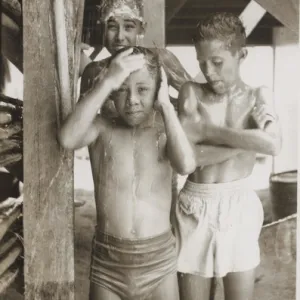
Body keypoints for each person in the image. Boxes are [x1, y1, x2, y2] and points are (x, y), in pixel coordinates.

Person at [58, 46, 196, 300]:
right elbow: (67, 138)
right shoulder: (101, 129)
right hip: (108, 265)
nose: (131, 99)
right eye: (121, 89)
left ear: (157, 89)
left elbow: (186, 165)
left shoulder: (163, 130)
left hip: (159, 264)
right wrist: (108, 80)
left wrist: (165, 105)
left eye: (142, 89)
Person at [175, 12, 281, 300]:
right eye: (202, 63)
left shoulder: (259, 96)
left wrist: (205, 130)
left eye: (217, 62)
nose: (209, 71)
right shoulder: (191, 93)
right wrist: (249, 142)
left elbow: (273, 145)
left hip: (239, 204)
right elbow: (186, 158)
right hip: (195, 205)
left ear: (242, 54)